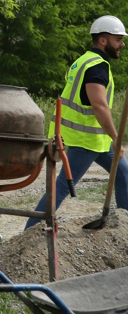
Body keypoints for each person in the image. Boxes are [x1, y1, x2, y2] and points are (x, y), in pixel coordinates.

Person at [27, 16, 127, 228]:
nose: (122, 44)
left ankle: (123, 224)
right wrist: (116, 138)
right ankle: (29, 233)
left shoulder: (83, 61)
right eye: (118, 39)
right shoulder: (96, 67)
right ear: (102, 40)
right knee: (61, 187)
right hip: (85, 140)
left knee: (124, 172)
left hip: (95, 139)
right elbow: (99, 106)